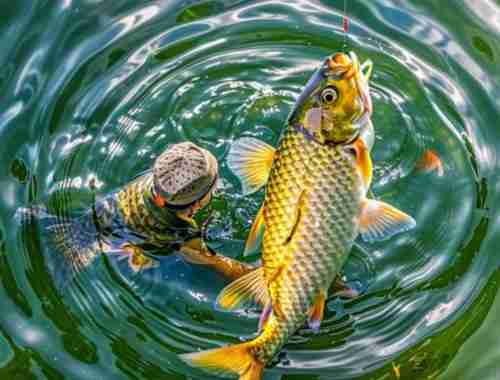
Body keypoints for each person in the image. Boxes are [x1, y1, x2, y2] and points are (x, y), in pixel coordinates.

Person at [22, 142, 253, 287]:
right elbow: (217, 265)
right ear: (197, 204)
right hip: (134, 240)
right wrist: (261, 275)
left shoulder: (149, 183)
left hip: (111, 214)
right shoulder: (182, 234)